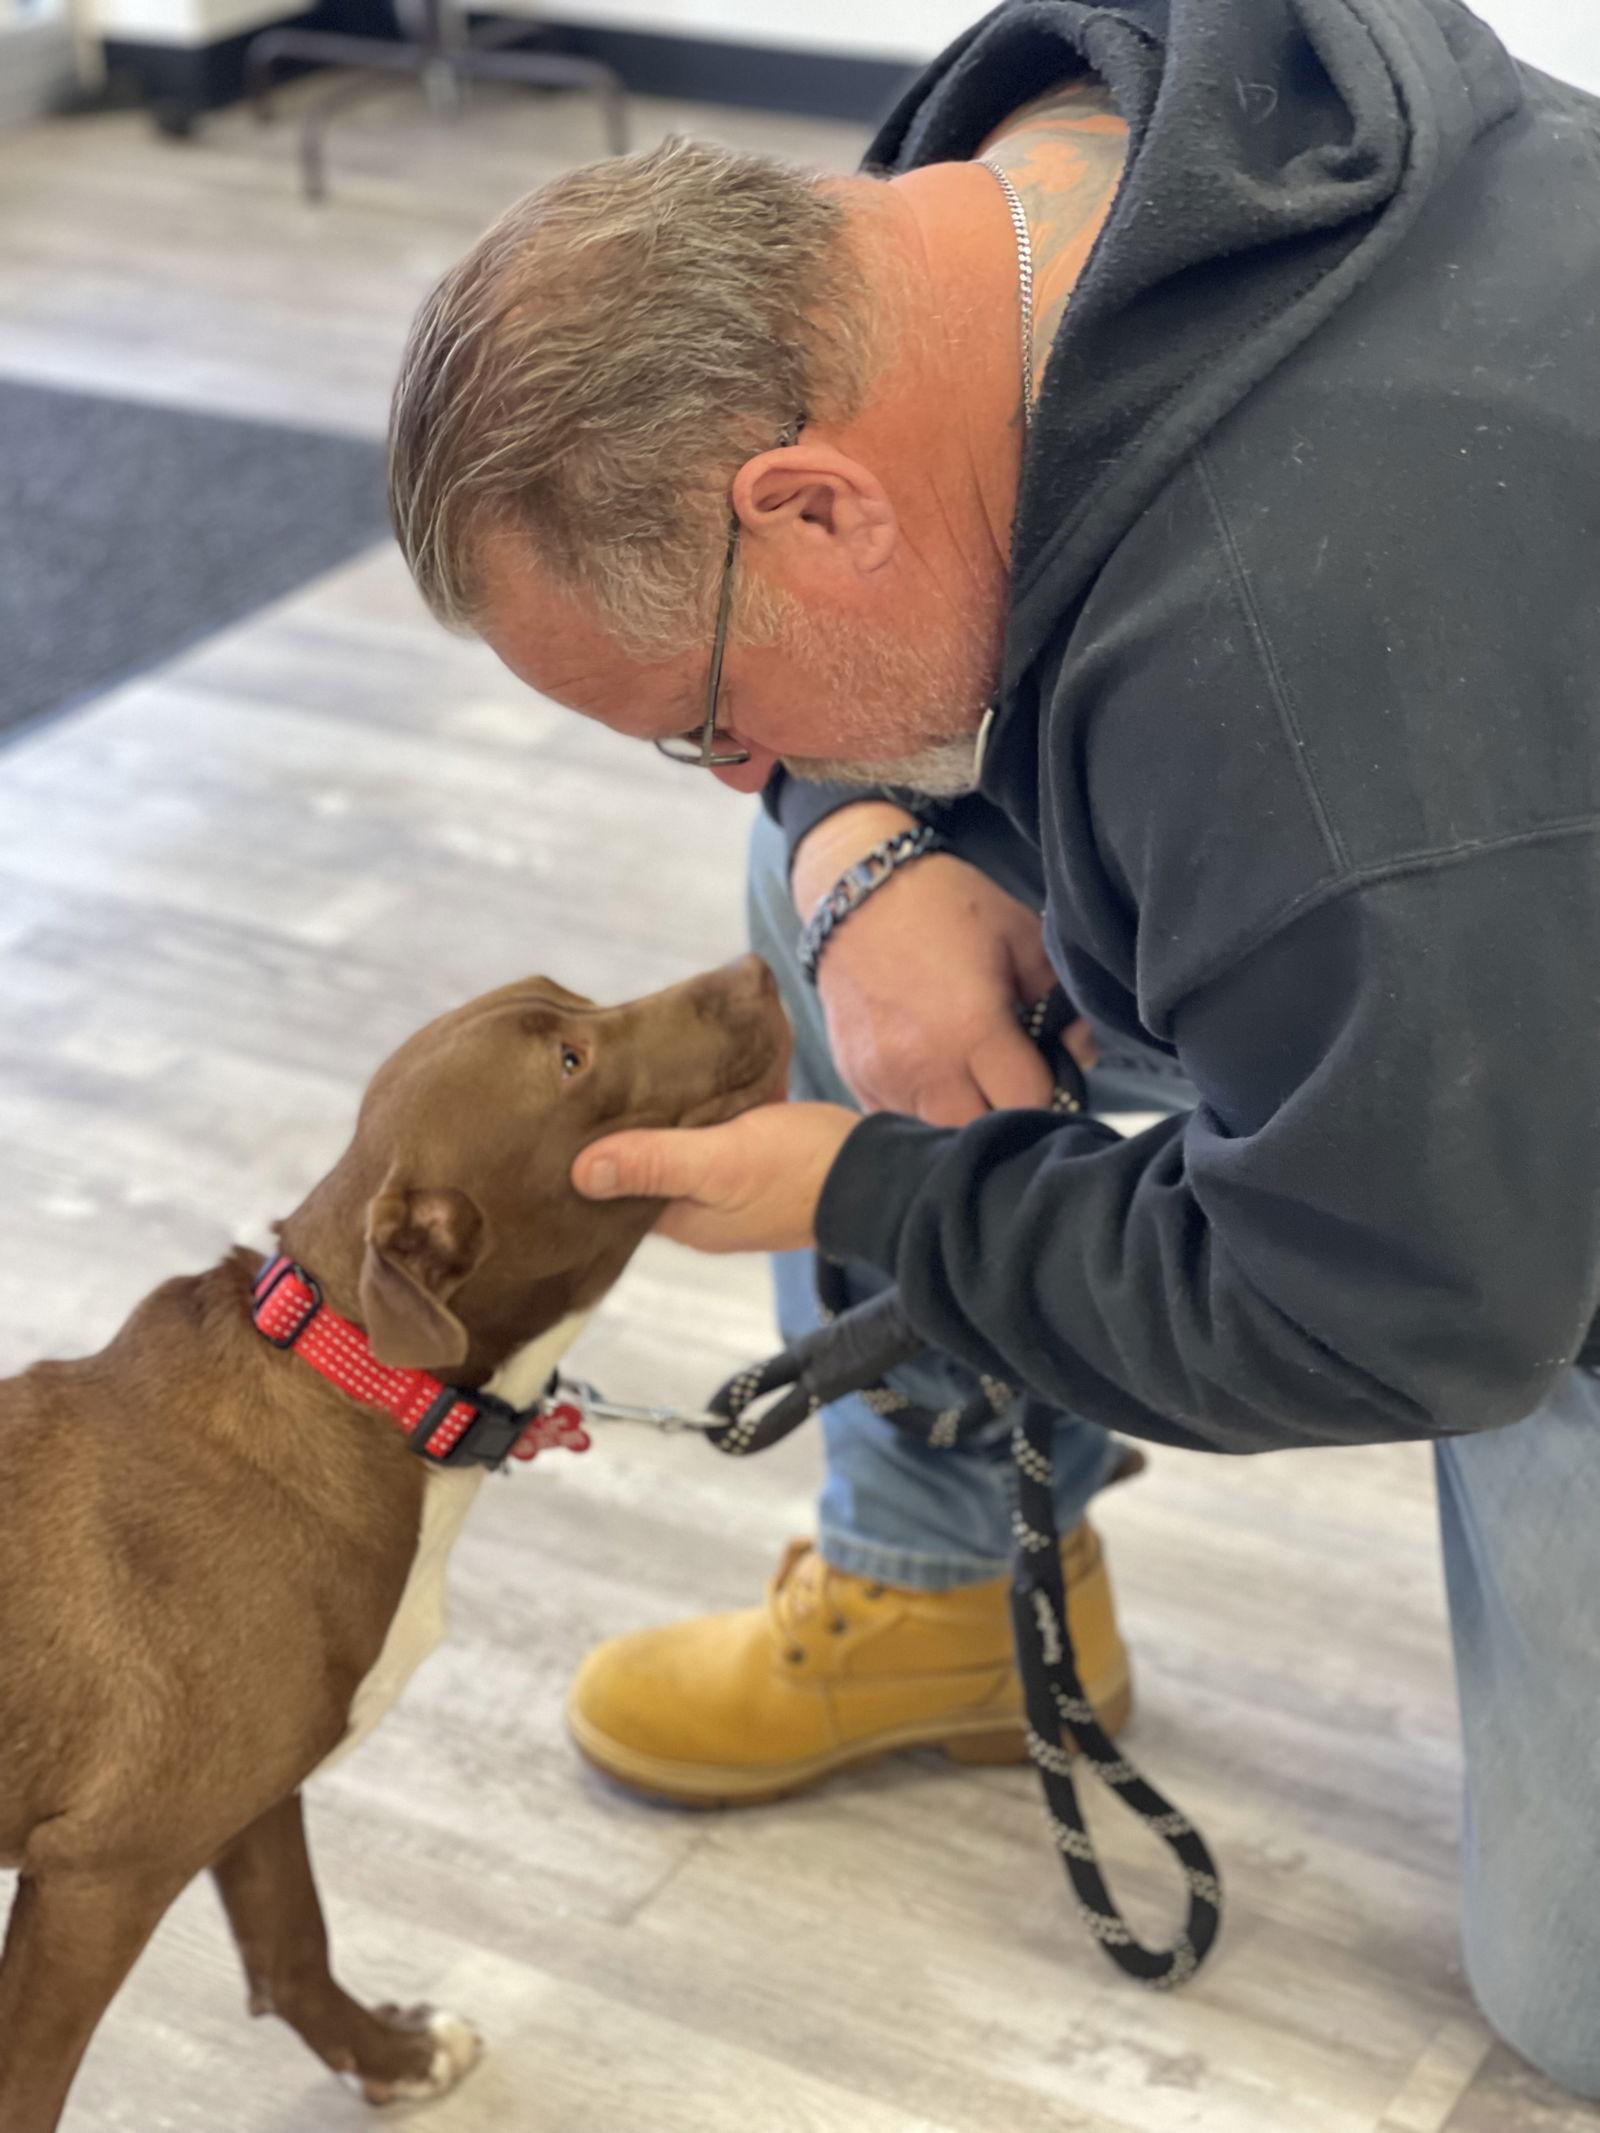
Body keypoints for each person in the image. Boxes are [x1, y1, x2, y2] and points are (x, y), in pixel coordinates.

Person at [387, 0, 1600, 2094]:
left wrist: (874, 1191)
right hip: (1472, 896)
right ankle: (939, 1584)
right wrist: (851, 836)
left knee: (1564, 1994)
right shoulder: (1060, 144)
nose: (736, 771)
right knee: (843, 890)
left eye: (710, 723)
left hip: (1506, 1173)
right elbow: (893, 701)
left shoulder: (1295, 694)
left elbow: (1396, 1313)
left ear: (810, 511)